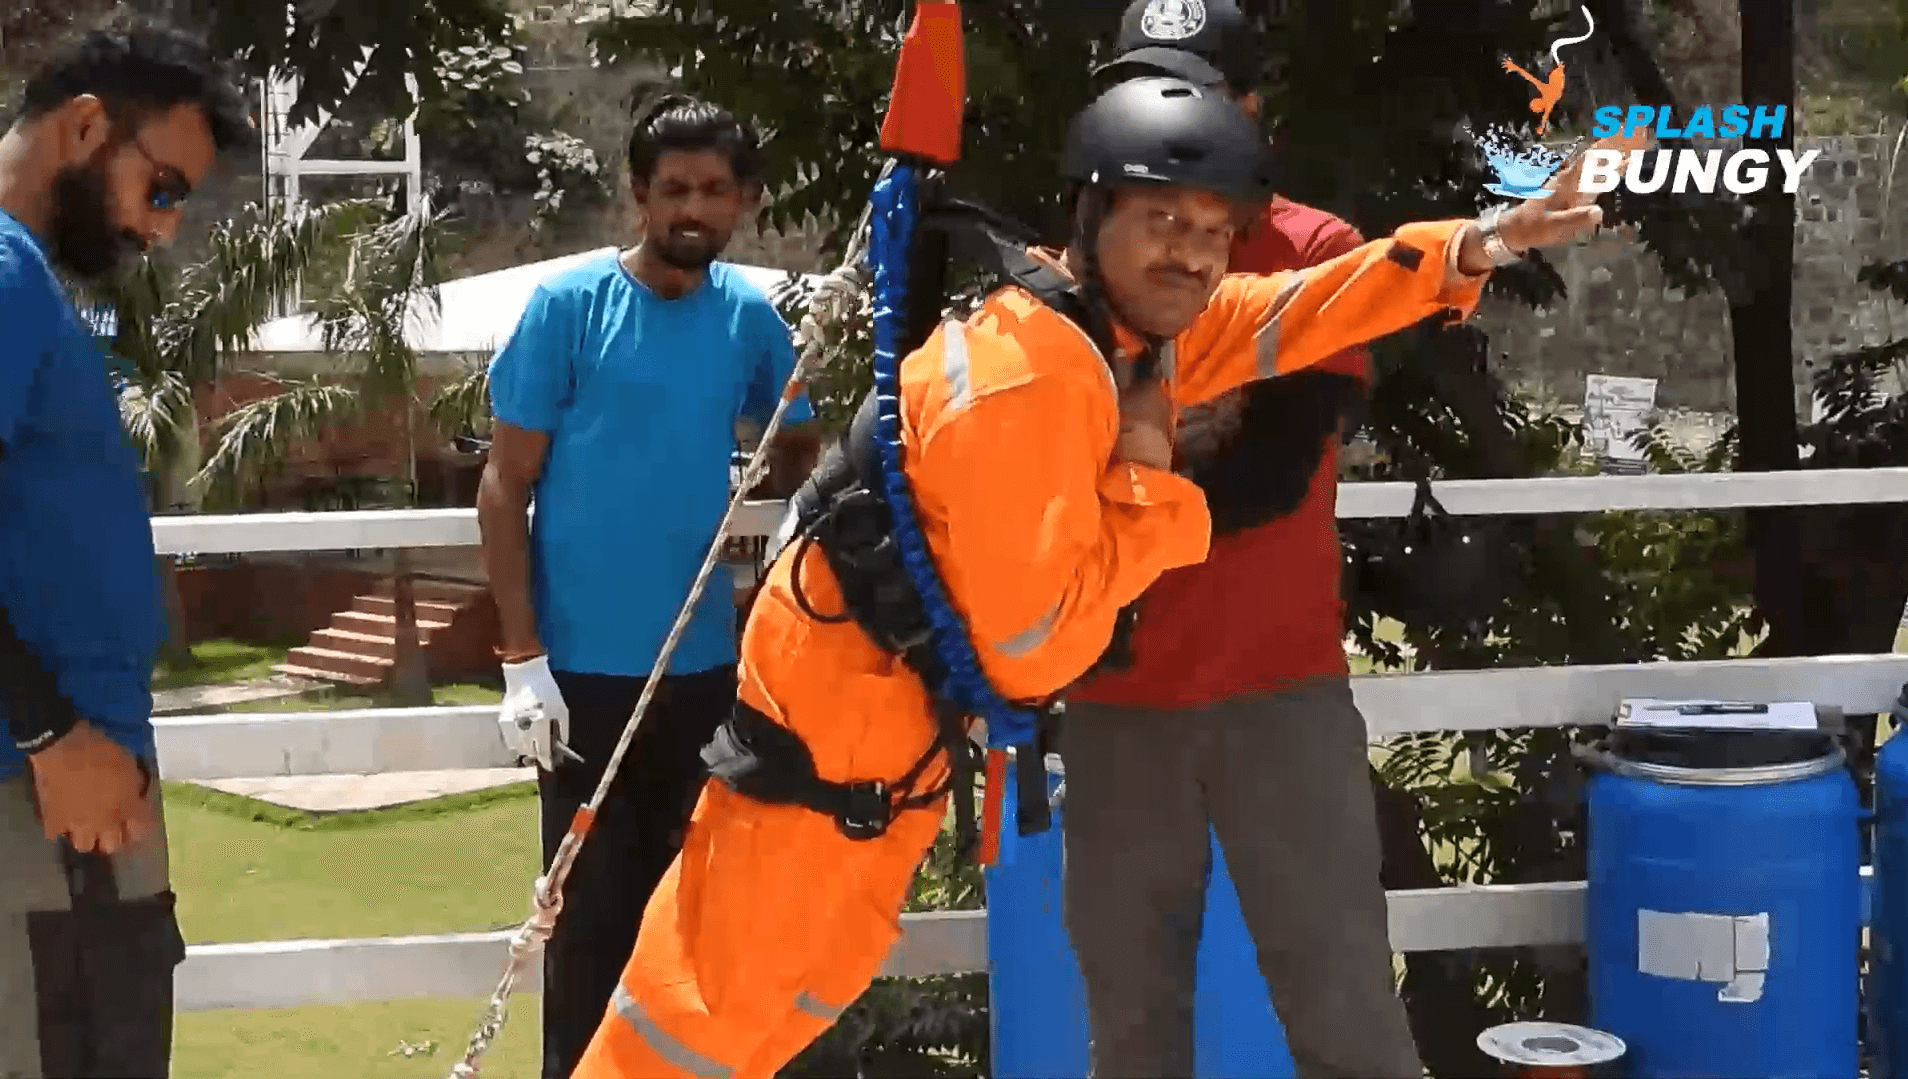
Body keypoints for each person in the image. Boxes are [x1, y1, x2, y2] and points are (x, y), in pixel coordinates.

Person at [573, 74, 1606, 1079]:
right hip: (824, 760)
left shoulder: (1111, 331)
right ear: (1093, 214)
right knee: (692, 1027)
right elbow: (1033, 649)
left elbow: (1296, 309)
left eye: (1213, 232)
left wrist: (1482, 241)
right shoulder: (1029, 380)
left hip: (876, 754)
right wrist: (1151, 483)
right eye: (1164, 222)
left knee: (775, 1009)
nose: (1191, 254)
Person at [1059, 3, 1422, 1076]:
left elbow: (1275, 471)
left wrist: (1122, 485)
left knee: (1345, 1013)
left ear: (1252, 110)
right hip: (1115, 698)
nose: (1166, 112)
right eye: (1142, 86)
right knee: (1130, 1026)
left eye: (1198, 89)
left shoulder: (1315, 252)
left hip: (1277, 690)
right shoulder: (1076, 265)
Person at [476, 94, 822, 1079]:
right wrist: (521, 660)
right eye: (673, 188)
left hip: (705, 675)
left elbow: (798, 447)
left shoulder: (749, 319)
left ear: (743, 200)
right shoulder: (567, 307)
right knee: (585, 933)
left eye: (713, 190)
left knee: (696, 933)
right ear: (639, 194)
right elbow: (503, 485)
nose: (692, 208)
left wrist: (768, 530)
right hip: (578, 684)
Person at [0, 15, 251, 1079]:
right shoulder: (0, 274)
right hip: (39, 805)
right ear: (88, 127)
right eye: (164, 187)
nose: (164, 228)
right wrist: (52, 732)